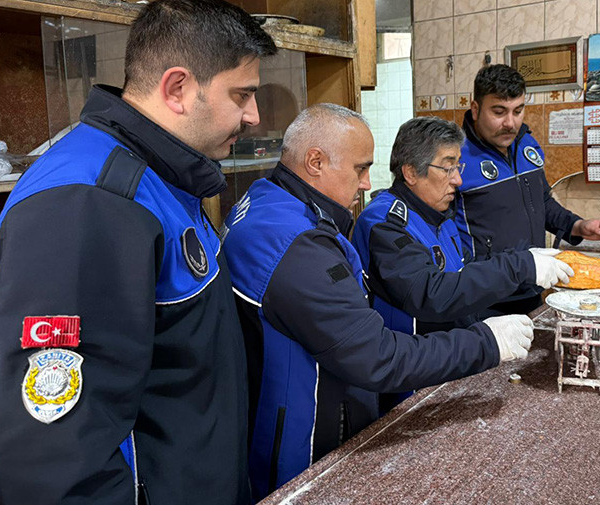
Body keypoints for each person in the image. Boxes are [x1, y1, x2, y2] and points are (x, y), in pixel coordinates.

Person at [0, 1, 275, 503]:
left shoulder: (166, 180)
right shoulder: (89, 204)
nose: (253, 116)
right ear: (177, 88)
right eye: (242, 95)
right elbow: (57, 459)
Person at [221, 104, 535, 500]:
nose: (367, 183)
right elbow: (375, 354)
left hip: (305, 411)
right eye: (359, 169)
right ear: (315, 162)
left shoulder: (269, 201)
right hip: (304, 441)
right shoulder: (299, 244)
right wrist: (486, 343)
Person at [352, 116, 574, 336]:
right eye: (447, 168)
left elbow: (465, 269)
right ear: (411, 173)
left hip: (453, 346)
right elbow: (429, 294)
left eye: (458, 167)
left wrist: (526, 257)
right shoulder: (384, 222)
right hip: (413, 353)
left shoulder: (438, 216)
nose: (458, 180)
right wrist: (519, 267)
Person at [457, 64, 600, 316]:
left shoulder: (526, 144)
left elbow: (541, 201)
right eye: (499, 112)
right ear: (475, 109)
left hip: (532, 288)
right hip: (484, 298)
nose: (510, 123)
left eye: (518, 110)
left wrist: (577, 225)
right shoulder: (456, 158)